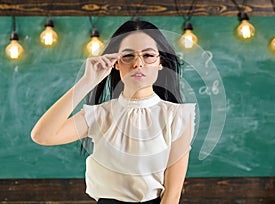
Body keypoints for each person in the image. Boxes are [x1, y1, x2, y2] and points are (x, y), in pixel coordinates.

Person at [31, 19, 195, 204]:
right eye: (128, 56)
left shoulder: (178, 116)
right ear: (116, 63)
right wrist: (87, 81)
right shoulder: (99, 115)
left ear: (160, 62)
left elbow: (172, 195)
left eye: (148, 55)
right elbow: (42, 136)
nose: (138, 63)